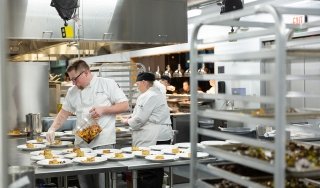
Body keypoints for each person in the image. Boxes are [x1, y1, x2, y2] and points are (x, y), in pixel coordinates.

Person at [46, 59, 129, 188]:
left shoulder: (107, 84)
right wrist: (52, 128)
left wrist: (103, 109)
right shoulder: (72, 91)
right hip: (81, 144)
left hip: (103, 143)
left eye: (75, 79)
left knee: (102, 184)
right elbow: (64, 113)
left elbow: (124, 105)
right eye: (71, 79)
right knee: (85, 185)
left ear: (86, 73)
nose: (73, 82)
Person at [122, 72, 172, 188]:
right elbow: (145, 114)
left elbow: (140, 119)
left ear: (144, 82)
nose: (137, 86)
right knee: (154, 169)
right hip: (159, 135)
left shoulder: (149, 95)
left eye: (138, 84)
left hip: (155, 137)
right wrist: (131, 117)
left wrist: (127, 121)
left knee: (150, 170)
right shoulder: (154, 93)